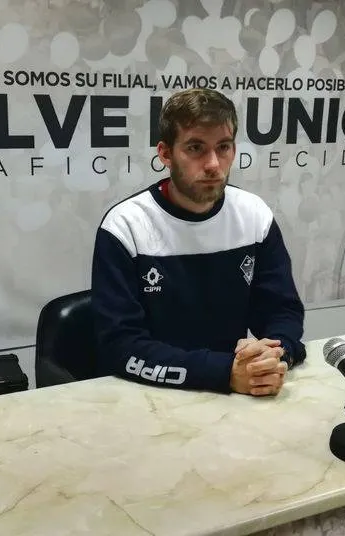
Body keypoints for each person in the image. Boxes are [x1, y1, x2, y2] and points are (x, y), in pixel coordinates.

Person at [90, 88, 307, 396]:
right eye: (195, 148)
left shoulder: (254, 215)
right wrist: (224, 373)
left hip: (231, 394)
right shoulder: (126, 226)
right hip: (144, 396)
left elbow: (282, 310)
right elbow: (120, 346)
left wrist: (274, 354)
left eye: (224, 147)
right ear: (165, 153)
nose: (214, 164)